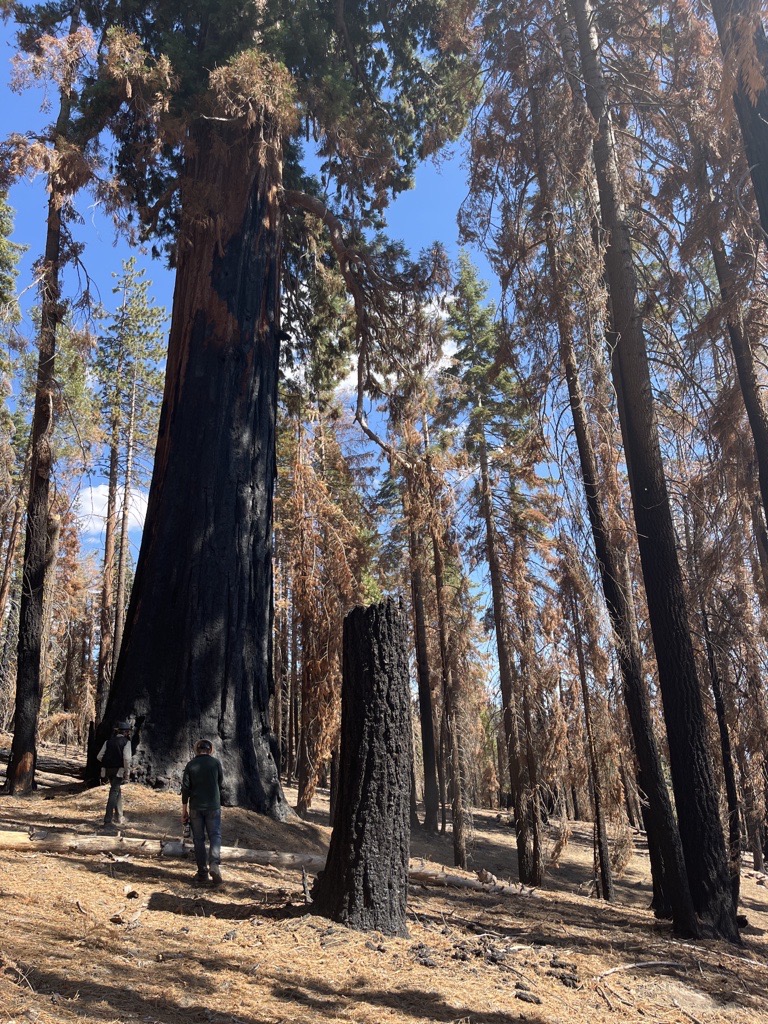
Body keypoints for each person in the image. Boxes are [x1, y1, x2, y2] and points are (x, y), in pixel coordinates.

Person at [181, 739, 224, 886]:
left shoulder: (191, 765)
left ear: (197, 750)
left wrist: (184, 810)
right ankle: (214, 864)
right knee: (215, 835)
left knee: (198, 840)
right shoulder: (216, 763)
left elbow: (185, 788)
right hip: (213, 806)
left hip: (195, 807)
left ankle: (202, 873)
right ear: (210, 749)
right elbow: (220, 782)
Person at [97, 721, 132, 829]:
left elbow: (99, 756)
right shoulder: (126, 742)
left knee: (116, 790)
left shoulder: (108, 742)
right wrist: (127, 772)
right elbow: (126, 759)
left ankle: (119, 816)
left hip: (107, 770)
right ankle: (108, 820)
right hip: (119, 770)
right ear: (126, 732)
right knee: (114, 792)